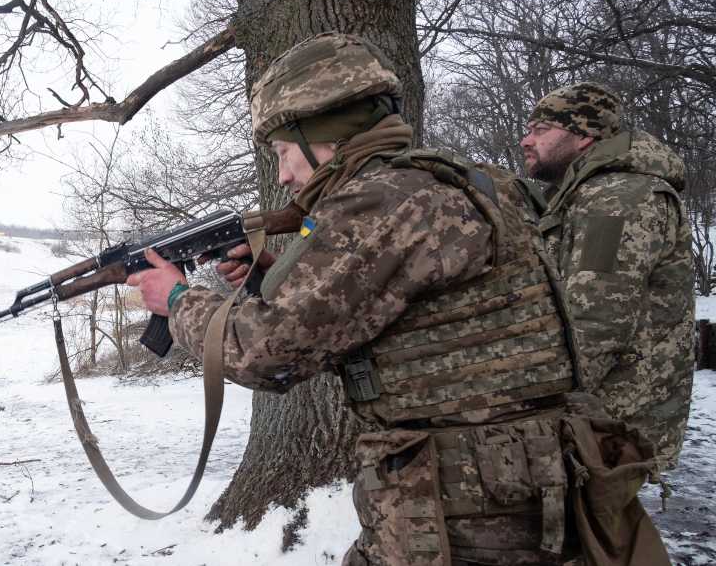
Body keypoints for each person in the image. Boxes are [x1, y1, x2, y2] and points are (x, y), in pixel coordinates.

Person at [127, 34, 668, 565]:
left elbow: (266, 355)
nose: (285, 175)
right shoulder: (454, 183)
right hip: (515, 481)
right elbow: (390, 310)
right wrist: (273, 273)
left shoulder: (387, 200)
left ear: (327, 137)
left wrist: (176, 299)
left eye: (284, 152)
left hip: (469, 507)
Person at [520, 82, 696, 468]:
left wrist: (522, 403)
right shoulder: (588, 192)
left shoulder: (617, 199)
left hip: (611, 427)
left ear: (584, 137)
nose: (525, 141)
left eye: (540, 130)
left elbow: (596, 321)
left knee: (597, 527)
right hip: (596, 419)